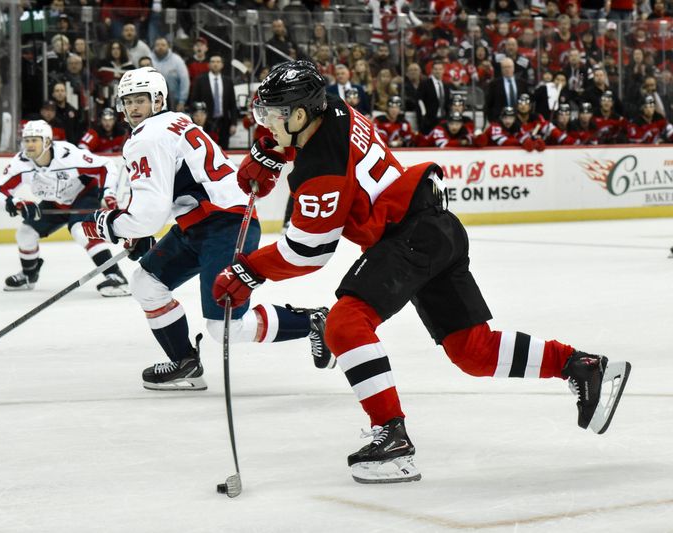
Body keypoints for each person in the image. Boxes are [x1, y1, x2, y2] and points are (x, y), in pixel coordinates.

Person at [213, 60, 632, 484]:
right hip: (435, 227)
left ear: (299, 115)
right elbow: (296, 136)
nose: (264, 121)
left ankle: (392, 436)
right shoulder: (331, 106)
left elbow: (309, 251)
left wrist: (247, 271)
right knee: (472, 350)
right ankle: (581, 365)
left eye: (270, 115)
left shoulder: (321, 170)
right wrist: (269, 150)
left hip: (407, 237)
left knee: (345, 324)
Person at [79, 67, 334, 391]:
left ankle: (312, 322)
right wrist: (138, 229)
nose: (133, 108)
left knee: (226, 327)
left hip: (225, 225)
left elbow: (150, 212)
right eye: (128, 101)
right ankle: (185, 362)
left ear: (158, 100)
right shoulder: (174, 123)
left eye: (141, 100)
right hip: (200, 225)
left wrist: (110, 226)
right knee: (146, 282)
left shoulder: (148, 136)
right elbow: (166, 196)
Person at [0, 120, 130, 297]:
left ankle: (115, 276)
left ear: (47, 142)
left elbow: (105, 166)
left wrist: (108, 193)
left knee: (81, 231)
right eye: (27, 140)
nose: (29, 145)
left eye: (34, 140)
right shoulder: (20, 163)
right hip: (54, 202)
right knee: (25, 233)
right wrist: (17, 202)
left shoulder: (68, 155)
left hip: (83, 195)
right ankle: (28, 275)